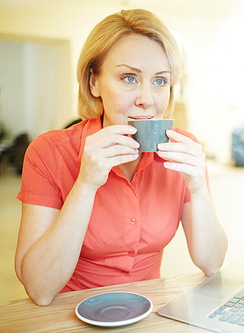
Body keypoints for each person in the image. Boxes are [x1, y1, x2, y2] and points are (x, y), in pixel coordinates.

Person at [14, 9, 227, 306]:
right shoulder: (49, 152)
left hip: (148, 314)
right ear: (94, 83)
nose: (147, 99)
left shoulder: (184, 149)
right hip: (71, 315)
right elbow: (39, 289)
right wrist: (86, 185)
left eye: (160, 81)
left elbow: (212, 264)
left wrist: (199, 189)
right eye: (129, 78)